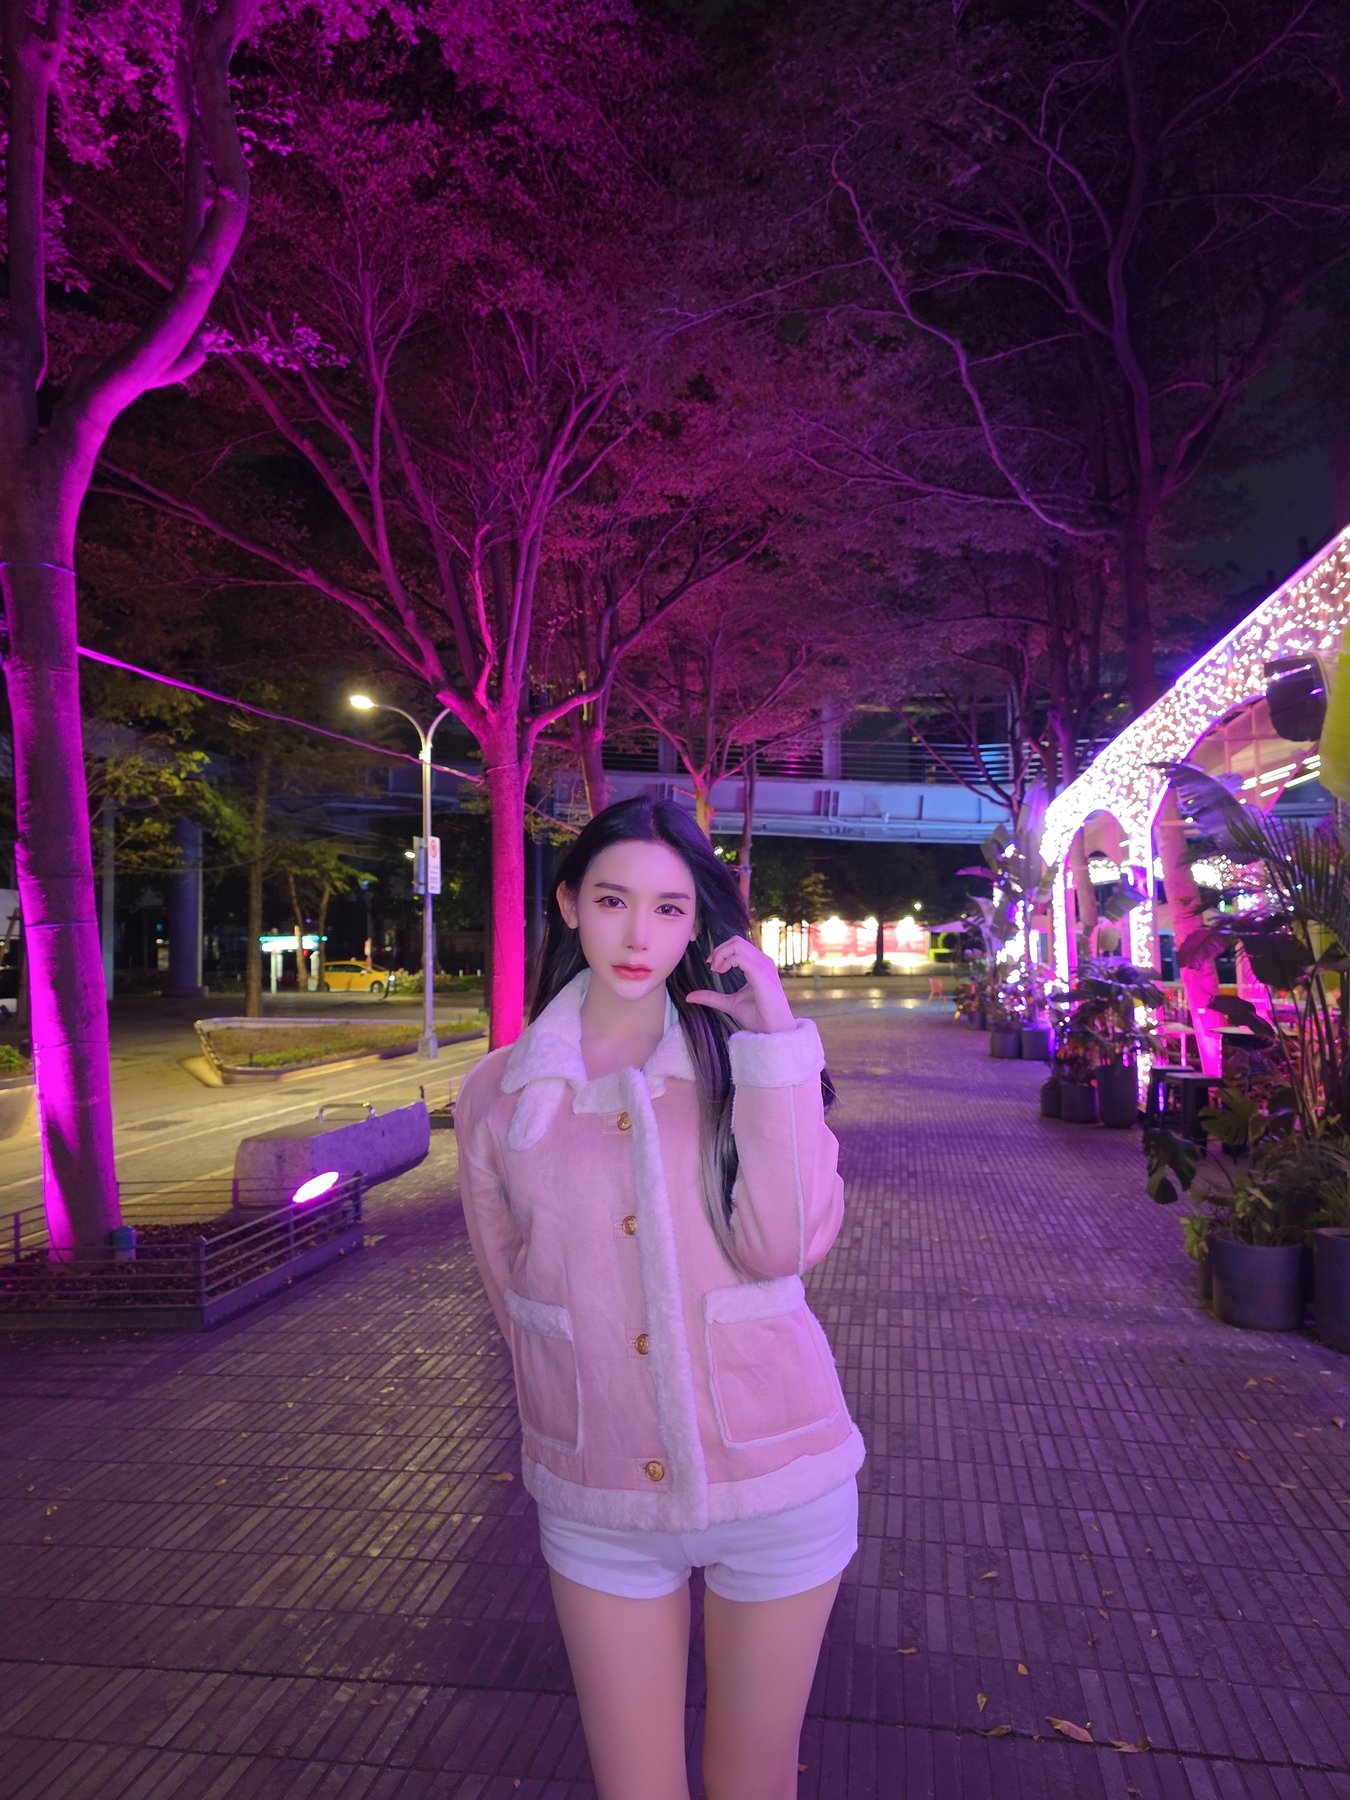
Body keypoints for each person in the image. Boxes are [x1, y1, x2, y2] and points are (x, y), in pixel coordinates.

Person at [454, 796, 865, 1800]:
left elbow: (784, 1246)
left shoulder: (742, 1065)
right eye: (613, 900)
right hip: (599, 1494)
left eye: (670, 909)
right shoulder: (500, 1093)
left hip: (778, 1473)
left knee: (752, 1781)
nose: (640, 935)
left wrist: (777, 1042)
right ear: (569, 905)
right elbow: (513, 1298)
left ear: (697, 924)